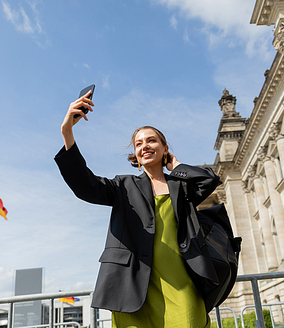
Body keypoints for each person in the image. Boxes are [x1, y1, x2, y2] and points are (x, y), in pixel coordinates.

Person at [55, 91, 221, 327]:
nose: (145, 146)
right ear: (134, 154)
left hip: (181, 281)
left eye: (152, 140)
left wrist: (176, 166)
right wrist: (67, 132)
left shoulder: (182, 187)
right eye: (139, 143)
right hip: (132, 284)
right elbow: (86, 186)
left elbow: (209, 181)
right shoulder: (124, 186)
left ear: (165, 148)